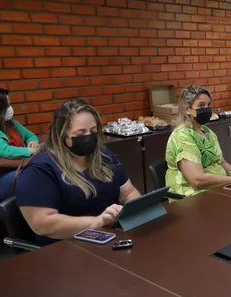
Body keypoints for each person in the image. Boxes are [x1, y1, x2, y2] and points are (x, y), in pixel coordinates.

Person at [15, 99, 141, 240]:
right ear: (61, 134)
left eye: (93, 131)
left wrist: (134, 212)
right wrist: (97, 222)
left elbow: (128, 192)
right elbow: (43, 224)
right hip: (67, 246)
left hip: (111, 236)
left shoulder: (102, 155)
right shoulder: (40, 170)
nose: (88, 137)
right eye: (80, 133)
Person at [165, 86, 231, 197]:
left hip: (219, 188)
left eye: (208, 105)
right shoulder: (182, 136)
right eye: (201, 105)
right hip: (192, 197)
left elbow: (222, 162)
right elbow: (197, 180)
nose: (206, 109)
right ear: (187, 109)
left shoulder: (207, 132)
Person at [0, 86, 40, 205]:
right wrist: (30, 151)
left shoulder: (11, 124)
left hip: (15, 168)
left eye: (10, 104)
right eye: (6, 106)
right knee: (37, 176)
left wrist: (33, 142)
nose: (10, 109)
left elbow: (30, 135)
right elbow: (4, 151)